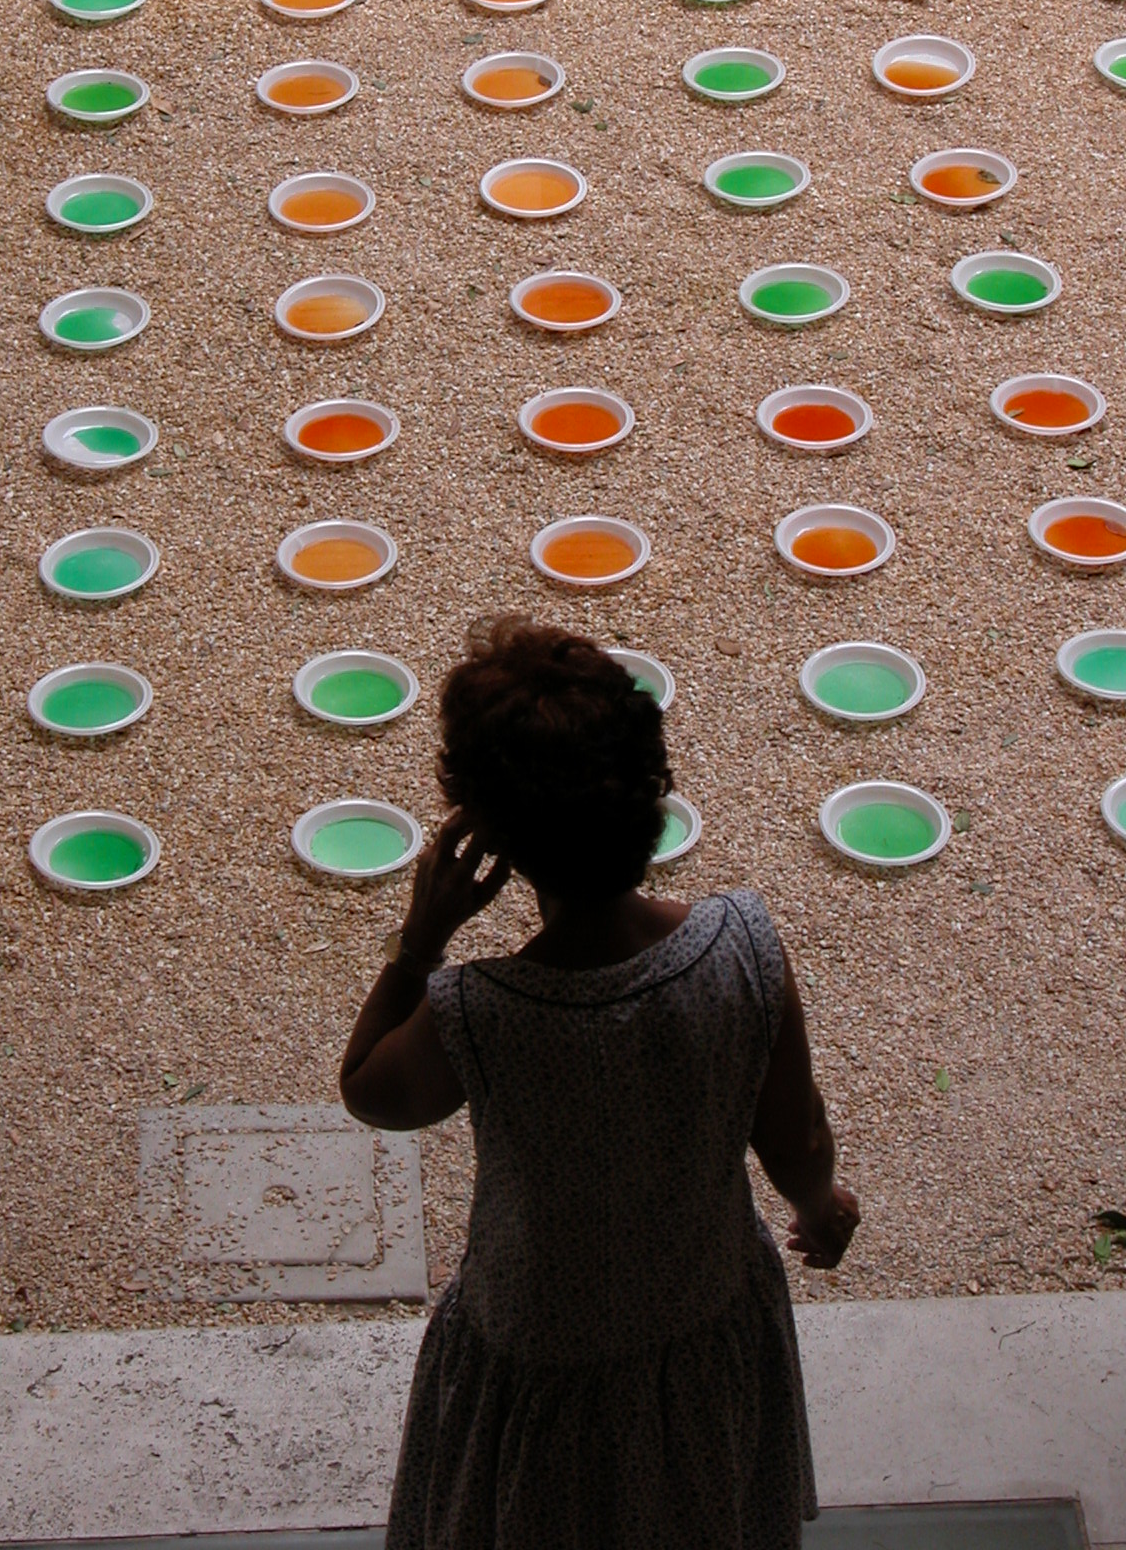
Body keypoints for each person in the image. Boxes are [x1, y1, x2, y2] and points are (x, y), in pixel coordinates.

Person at [340, 616, 858, 1550]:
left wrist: (420, 941)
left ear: (488, 834)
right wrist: (822, 1210)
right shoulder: (744, 945)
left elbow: (371, 1091)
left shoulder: (480, 1011)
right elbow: (797, 1137)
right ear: (652, 792)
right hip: (705, 1323)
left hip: (540, 1357)